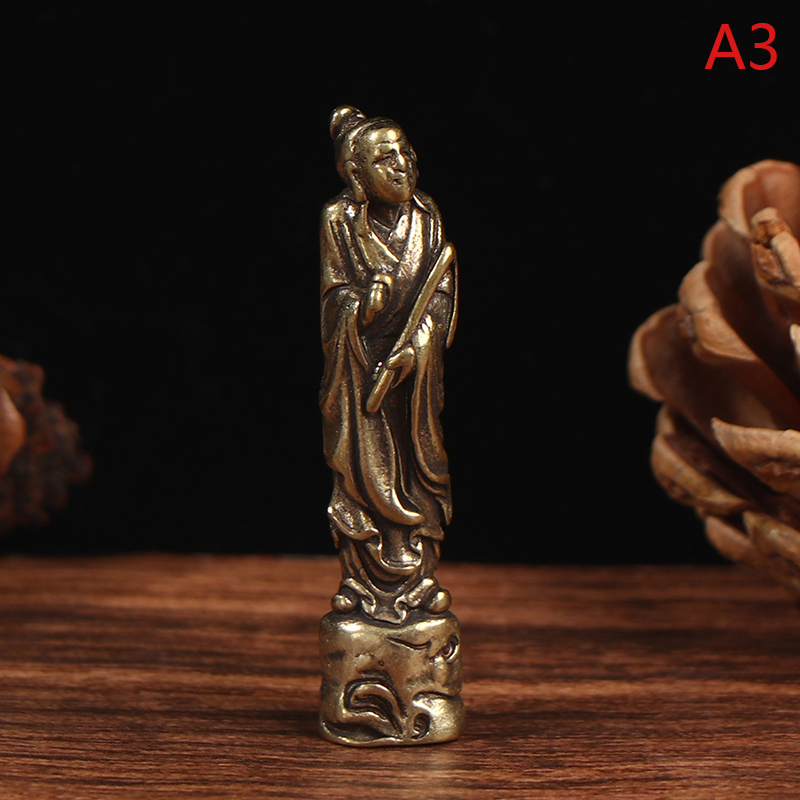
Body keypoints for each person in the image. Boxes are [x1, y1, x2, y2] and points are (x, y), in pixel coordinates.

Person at [320, 106, 458, 624]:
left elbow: (440, 295)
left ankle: (418, 582)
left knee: (421, 467)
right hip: (360, 378)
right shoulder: (340, 220)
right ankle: (361, 584)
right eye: (385, 158)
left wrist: (417, 350)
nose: (402, 165)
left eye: (405, 152)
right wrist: (360, 306)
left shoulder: (427, 216)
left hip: (414, 379)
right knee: (361, 471)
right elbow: (332, 300)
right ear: (357, 174)